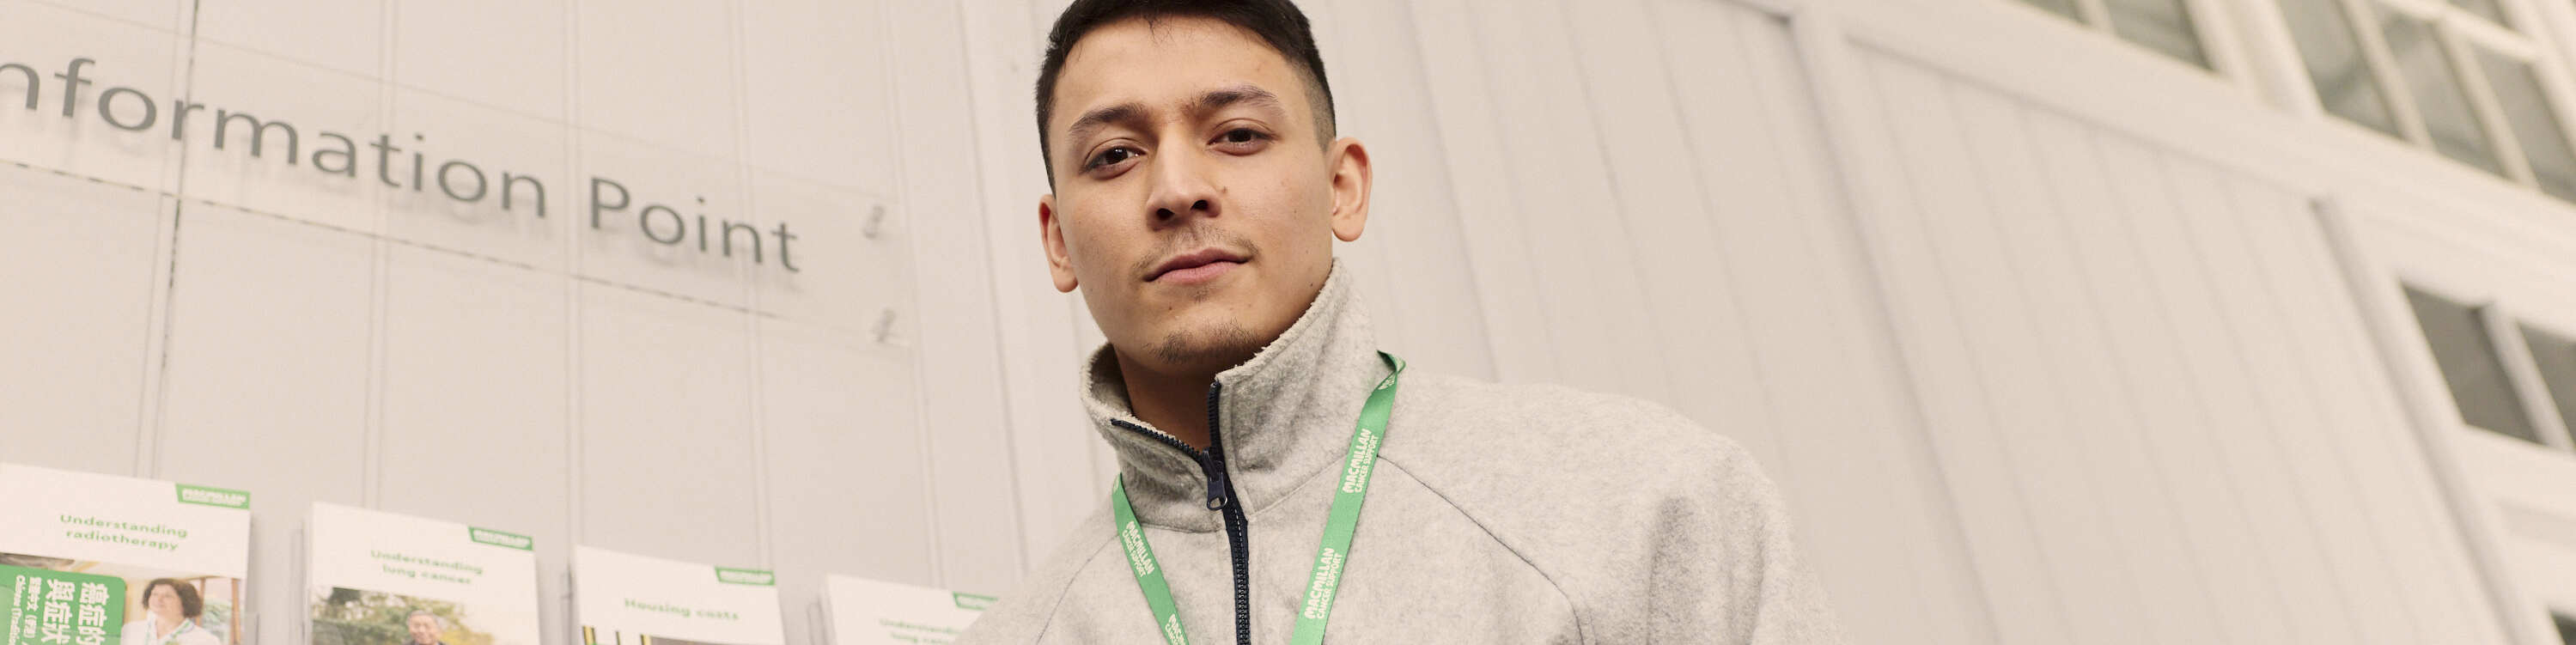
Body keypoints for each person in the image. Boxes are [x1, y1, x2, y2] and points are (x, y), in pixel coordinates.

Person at [955, 0, 1848, 642]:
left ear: (1342, 186)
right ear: (1057, 240)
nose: (1178, 188)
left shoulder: (1647, 502)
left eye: (1237, 135)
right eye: (1115, 155)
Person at [119, 579, 222, 645]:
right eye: (154, 594)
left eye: (167, 596)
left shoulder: (205, 640)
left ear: (186, 602)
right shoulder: (131, 629)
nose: (158, 599)